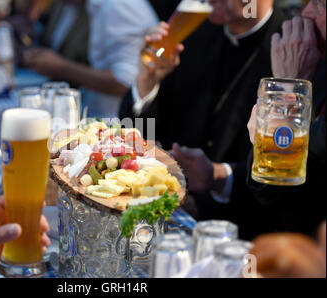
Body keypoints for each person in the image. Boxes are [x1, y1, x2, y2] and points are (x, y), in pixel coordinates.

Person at [120, 0, 285, 239]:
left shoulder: (291, 47)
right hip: (168, 223)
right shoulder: (192, 35)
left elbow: (283, 184)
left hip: (243, 236)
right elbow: (135, 137)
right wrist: (147, 84)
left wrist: (216, 181)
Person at [246, 0, 326, 236]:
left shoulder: (303, 70)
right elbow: (264, 187)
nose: (307, 14)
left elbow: (277, 183)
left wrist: (290, 86)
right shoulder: (317, 64)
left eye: (320, 5)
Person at [24, 0, 159, 118]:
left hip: (116, 124)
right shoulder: (96, 5)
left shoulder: (117, 4)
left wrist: (60, 67)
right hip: (101, 118)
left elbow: (126, 82)